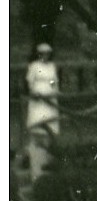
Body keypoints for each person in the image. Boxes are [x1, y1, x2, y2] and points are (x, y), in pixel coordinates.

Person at [25, 42, 60, 182]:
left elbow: (53, 82)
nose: (45, 56)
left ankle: (48, 163)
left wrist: (54, 90)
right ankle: (36, 166)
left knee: (50, 129)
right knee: (38, 127)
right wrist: (35, 92)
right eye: (42, 53)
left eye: (47, 53)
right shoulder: (34, 66)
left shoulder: (51, 67)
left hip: (50, 99)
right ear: (39, 54)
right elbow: (30, 83)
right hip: (38, 99)